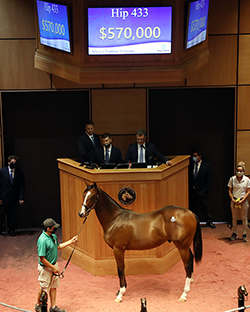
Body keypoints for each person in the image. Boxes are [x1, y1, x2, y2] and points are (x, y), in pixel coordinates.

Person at [35, 218, 78, 312]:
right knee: (44, 288)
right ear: (48, 228)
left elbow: (58, 247)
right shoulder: (42, 240)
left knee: (53, 287)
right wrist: (53, 267)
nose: (55, 228)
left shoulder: (53, 236)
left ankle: (53, 307)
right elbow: (41, 258)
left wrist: (71, 241)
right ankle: (38, 305)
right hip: (45, 268)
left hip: (54, 265)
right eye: (53, 227)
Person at [189, 149, 216, 228]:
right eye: (193, 156)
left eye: (195, 156)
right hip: (192, 190)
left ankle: (209, 222)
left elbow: (209, 179)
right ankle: (193, 222)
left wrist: (206, 189)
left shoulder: (206, 166)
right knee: (193, 208)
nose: (193, 158)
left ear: (200, 156)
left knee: (205, 207)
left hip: (202, 190)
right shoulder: (190, 165)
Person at [0, 155, 25, 236]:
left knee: (12, 215)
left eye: (15, 163)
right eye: (12, 162)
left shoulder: (19, 172)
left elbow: (21, 186)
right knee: (1, 214)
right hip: (4, 197)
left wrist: (21, 198)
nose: (13, 164)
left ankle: (12, 230)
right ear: (8, 162)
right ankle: (1, 229)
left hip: (13, 197)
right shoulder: (2, 172)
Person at [227, 162, 250, 242]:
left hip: (243, 201)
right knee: (234, 218)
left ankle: (244, 234)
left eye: (241, 171)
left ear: (243, 171)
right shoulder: (232, 179)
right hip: (234, 200)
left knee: (244, 218)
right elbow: (230, 191)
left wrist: (242, 200)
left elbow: (248, 191)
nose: (239, 172)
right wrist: (232, 199)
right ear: (235, 171)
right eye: (238, 171)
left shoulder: (247, 180)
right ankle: (234, 233)